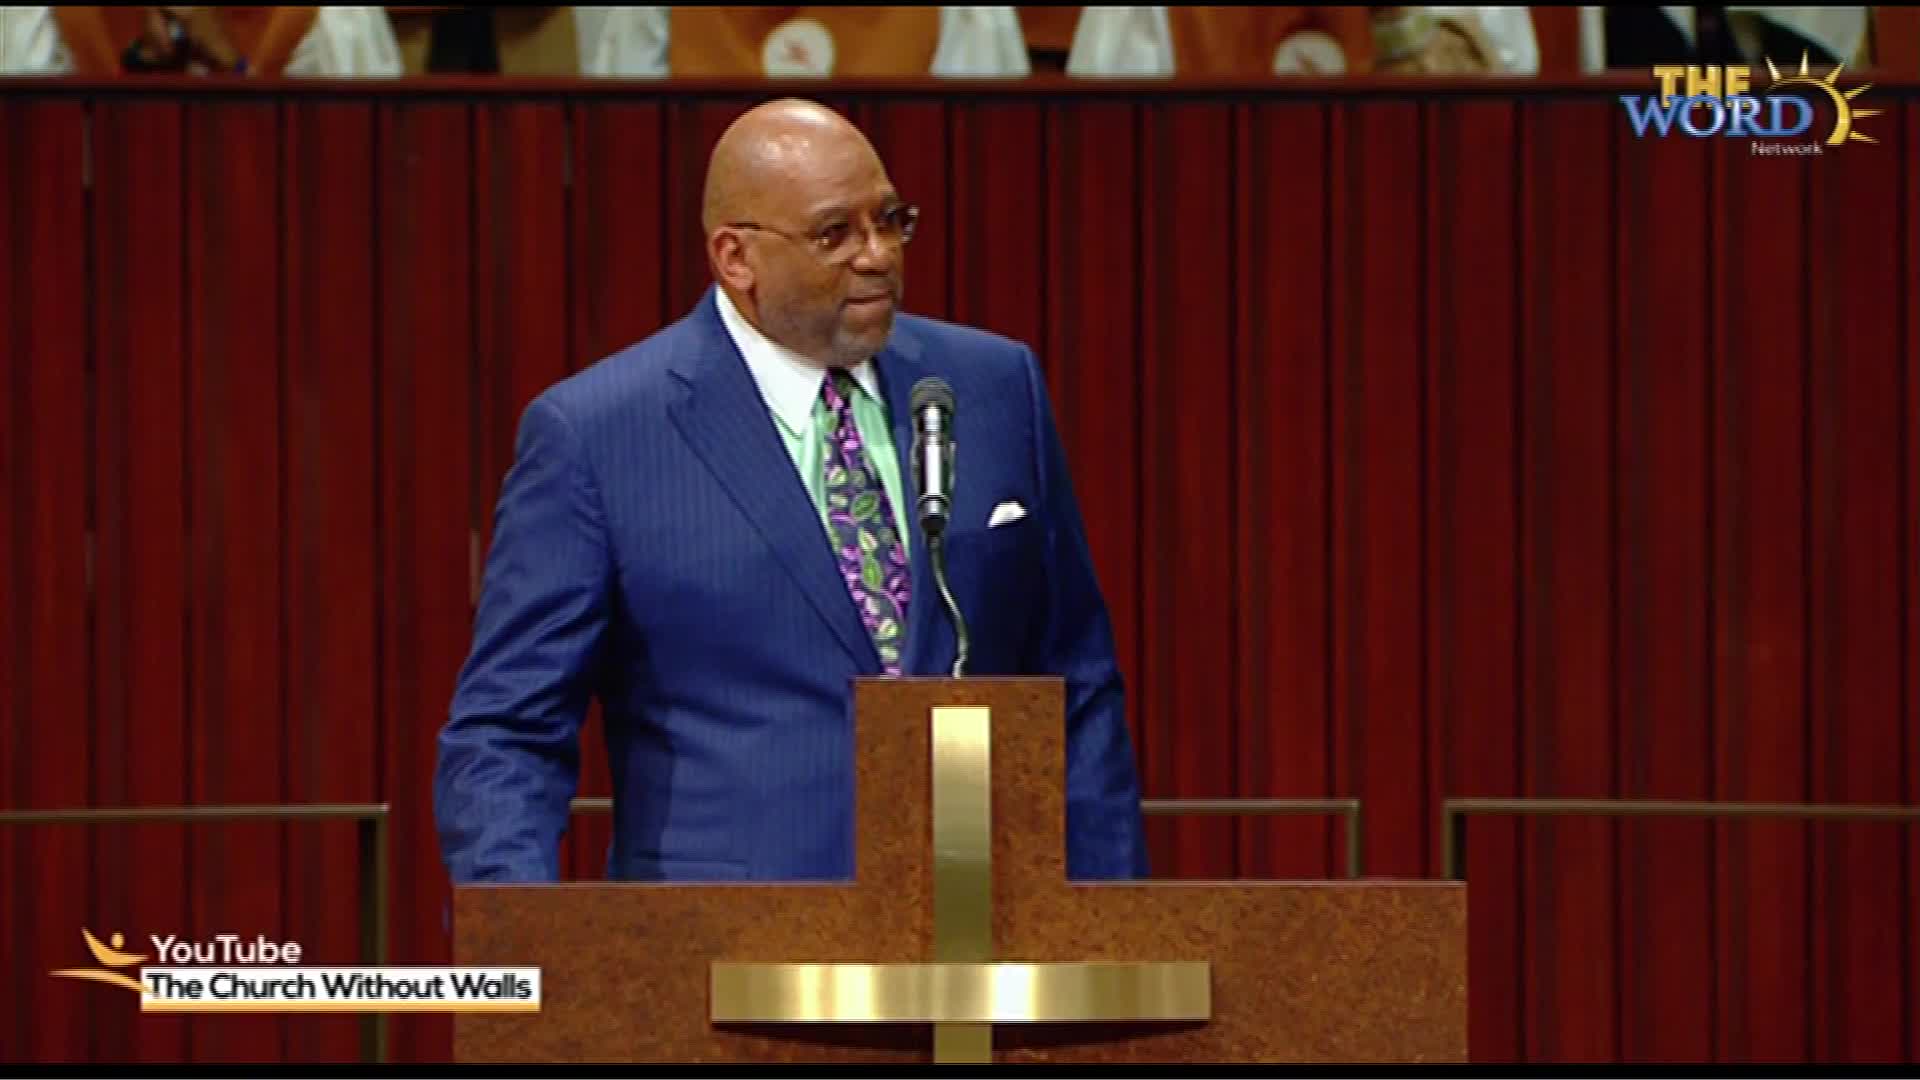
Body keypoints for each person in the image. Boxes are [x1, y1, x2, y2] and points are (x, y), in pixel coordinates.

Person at [434, 98, 1150, 885]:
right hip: (720, 960)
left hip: (980, 934)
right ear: (735, 258)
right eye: (834, 233)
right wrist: (522, 956)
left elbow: (1078, 689)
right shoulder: (599, 436)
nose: (877, 255)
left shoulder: (991, 387)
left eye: (890, 220)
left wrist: (1106, 926)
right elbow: (506, 733)